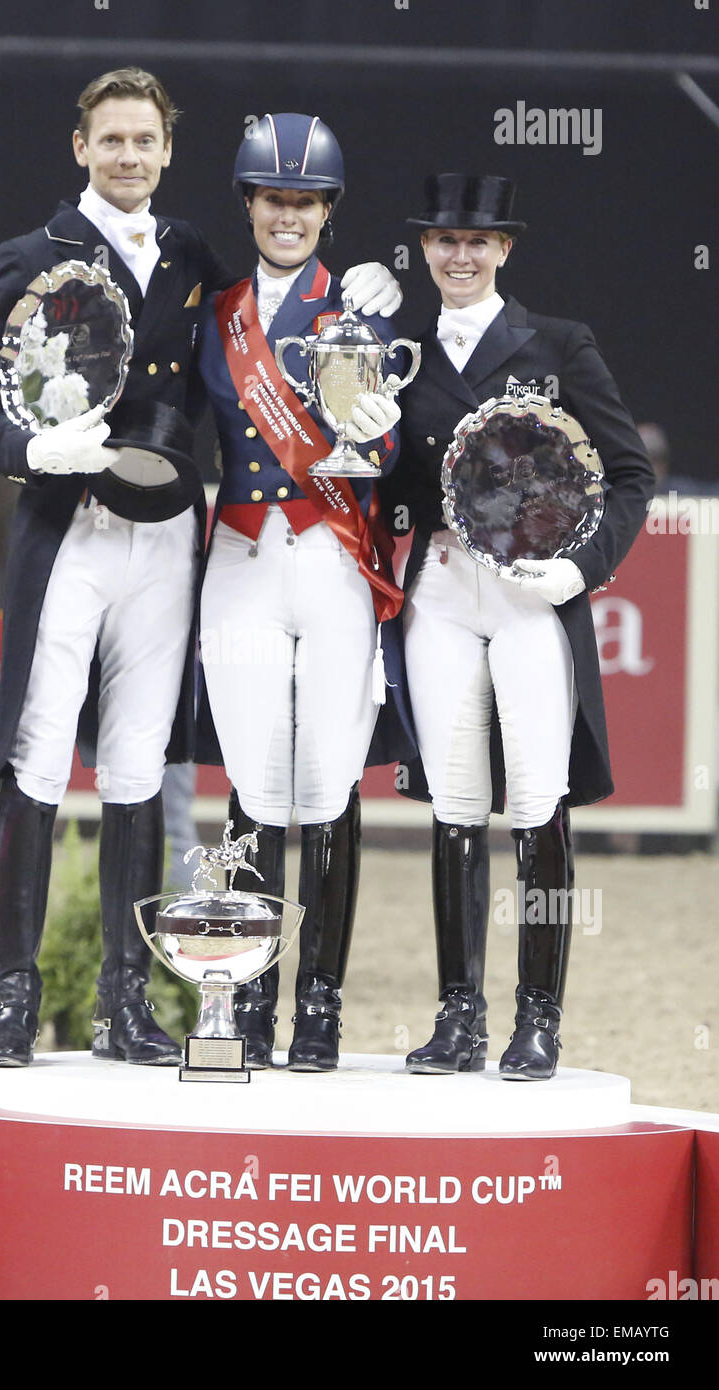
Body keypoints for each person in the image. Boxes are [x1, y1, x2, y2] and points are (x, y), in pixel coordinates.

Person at [0, 71, 401, 1068]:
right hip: (68, 521)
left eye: (144, 141)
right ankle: (14, 997)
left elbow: (294, 334)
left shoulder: (193, 257)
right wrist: (34, 455)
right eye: (109, 138)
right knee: (32, 761)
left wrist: (371, 296)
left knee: (134, 767)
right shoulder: (31, 257)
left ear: (166, 151)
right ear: (82, 147)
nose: (127, 155)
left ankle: (127, 1003)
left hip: (163, 536)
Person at [382, 174, 654, 1081]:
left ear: (503, 249)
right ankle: (458, 1013)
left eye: (477, 241)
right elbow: (383, 480)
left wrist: (579, 568)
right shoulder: (401, 351)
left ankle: (537, 1019)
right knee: (456, 806)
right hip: (444, 590)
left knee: (536, 801)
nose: (460, 256)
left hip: (531, 594)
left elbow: (627, 474)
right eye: (444, 242)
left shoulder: (558, 346)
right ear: (424, 250)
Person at [194, 114, 415, 1072]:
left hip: (328, 553)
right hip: (242, 553)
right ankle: (244, 1001)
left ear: (327, 212)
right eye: (273, 198)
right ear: (248, 203)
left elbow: (388, 448)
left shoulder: (362, 310)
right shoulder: (217, 312)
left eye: (305, 201)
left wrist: (386, 429)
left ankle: (317, 1007)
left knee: (327, 781)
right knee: (252, 781)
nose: (288, 215)